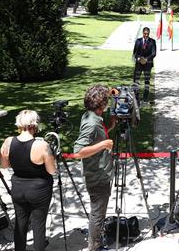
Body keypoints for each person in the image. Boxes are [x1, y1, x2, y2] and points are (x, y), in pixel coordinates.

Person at [0, 110, 56, 251]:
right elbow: (52, 171)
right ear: (34, 125)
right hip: (39, 191)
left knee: (20, 223)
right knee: (38, 225)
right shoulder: (42, 145)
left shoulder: (8, 142)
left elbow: (4, 165)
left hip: (18, 189)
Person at [73, 84, 114, 251]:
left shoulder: (91, 116)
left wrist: (109, 128)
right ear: (101, 105)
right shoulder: (91, 123)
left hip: (99, 172)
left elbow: (95, 137)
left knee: (98, 211)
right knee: (97, 214)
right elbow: (78, 152)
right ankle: (94, 246)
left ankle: (96, 239)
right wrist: (104, 144)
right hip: (97, 176)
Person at [133, 27, 157, 102]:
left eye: (147, 34)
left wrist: (146, 59)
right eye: (145, 33)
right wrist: (138, 59)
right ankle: (136, 96)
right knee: (136, 80)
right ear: (142, 33)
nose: (146, 35)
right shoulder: (138, 41)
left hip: (148, 64)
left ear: (149, 33)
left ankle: (145, 97)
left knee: (147, 81)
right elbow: (135, 53)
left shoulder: (152, 41)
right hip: (139, 64)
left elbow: (154, 53)